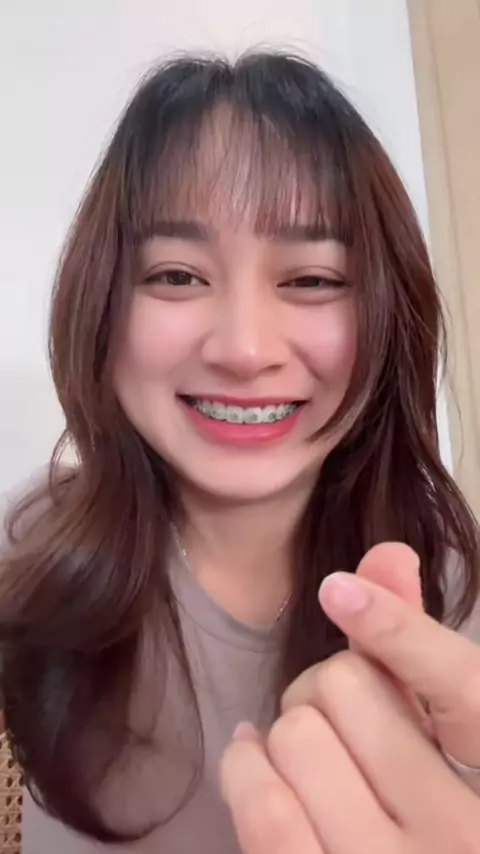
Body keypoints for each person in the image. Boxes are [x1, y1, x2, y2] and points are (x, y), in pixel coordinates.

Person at [1, 49, 480, 854]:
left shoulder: (454, 590)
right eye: (177, 276)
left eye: (313, 280)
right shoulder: (30, 543)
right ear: (102, 307)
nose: (245, 349)